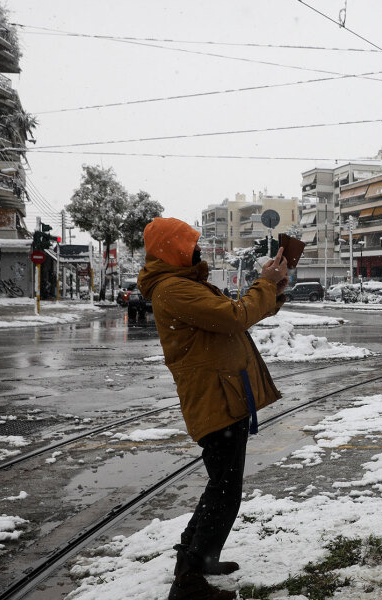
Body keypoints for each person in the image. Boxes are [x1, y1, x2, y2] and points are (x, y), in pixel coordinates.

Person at [138, 217, 289, 600]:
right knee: (224, 489)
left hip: (224, 395)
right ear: (173, 249)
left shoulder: (185, 285)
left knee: (221, 486)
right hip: (213, 399)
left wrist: (273, 290)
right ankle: (188, 581)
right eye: (190, 244)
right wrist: (265, 284)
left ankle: (197, 559)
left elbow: (234, 316)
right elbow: (234, 316)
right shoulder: (175, 290)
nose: (197, 249)